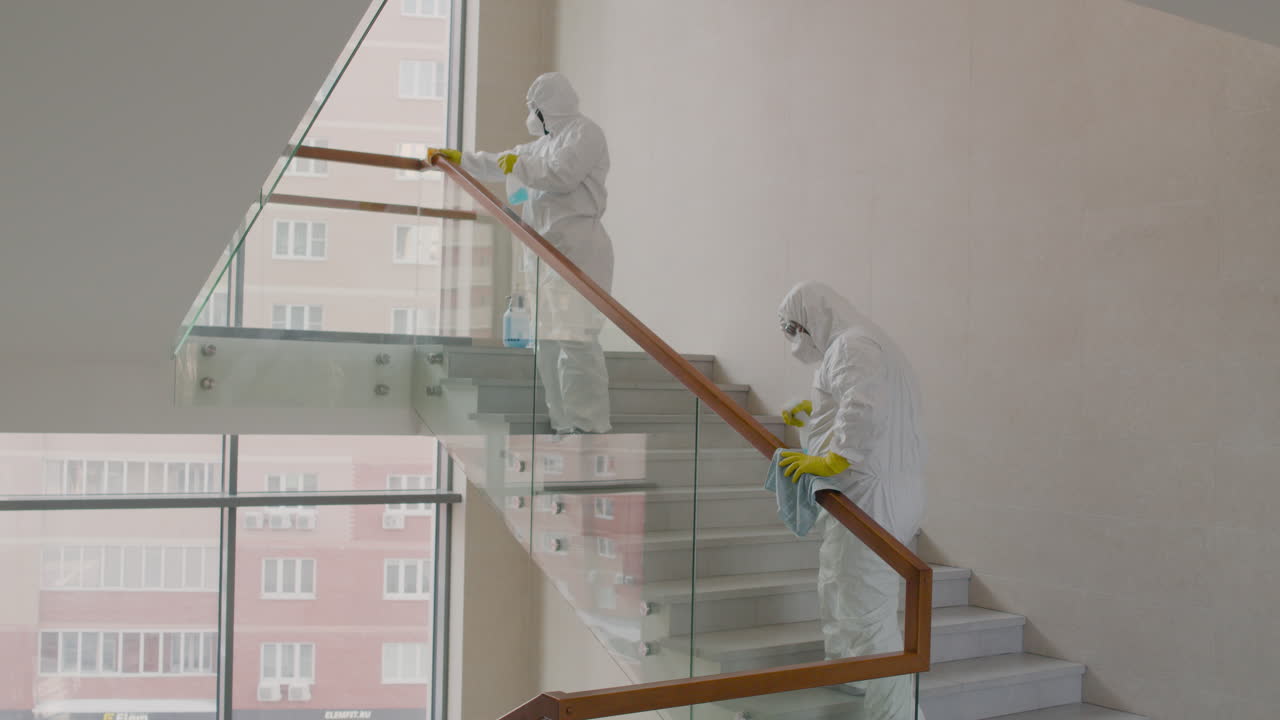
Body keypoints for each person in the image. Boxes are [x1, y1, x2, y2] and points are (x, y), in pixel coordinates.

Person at [429, 72, 613, 434]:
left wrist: (519, 166)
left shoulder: (585, 133)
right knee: (545, 343)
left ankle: (589, 426)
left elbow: (563, 175)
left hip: (577, 250)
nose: (531, 115)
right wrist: (459, 159)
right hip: (541, 251)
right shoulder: (540, 145)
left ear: (548, 106)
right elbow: (498, 161)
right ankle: (563, 423)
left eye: (534, 107)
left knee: (575, 339)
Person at [776, 281, 926, 720]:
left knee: (867, 614)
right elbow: (858, 404)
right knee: (844, 586)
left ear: (811, 316)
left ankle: (898, 715)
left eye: (794, 328)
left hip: (870, 496)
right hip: (873, 492)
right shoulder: (864, 343)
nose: (794, 339)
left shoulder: (851, 345)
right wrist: (814, 416)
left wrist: (836, 458)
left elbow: (864, 407)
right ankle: (853, 676)